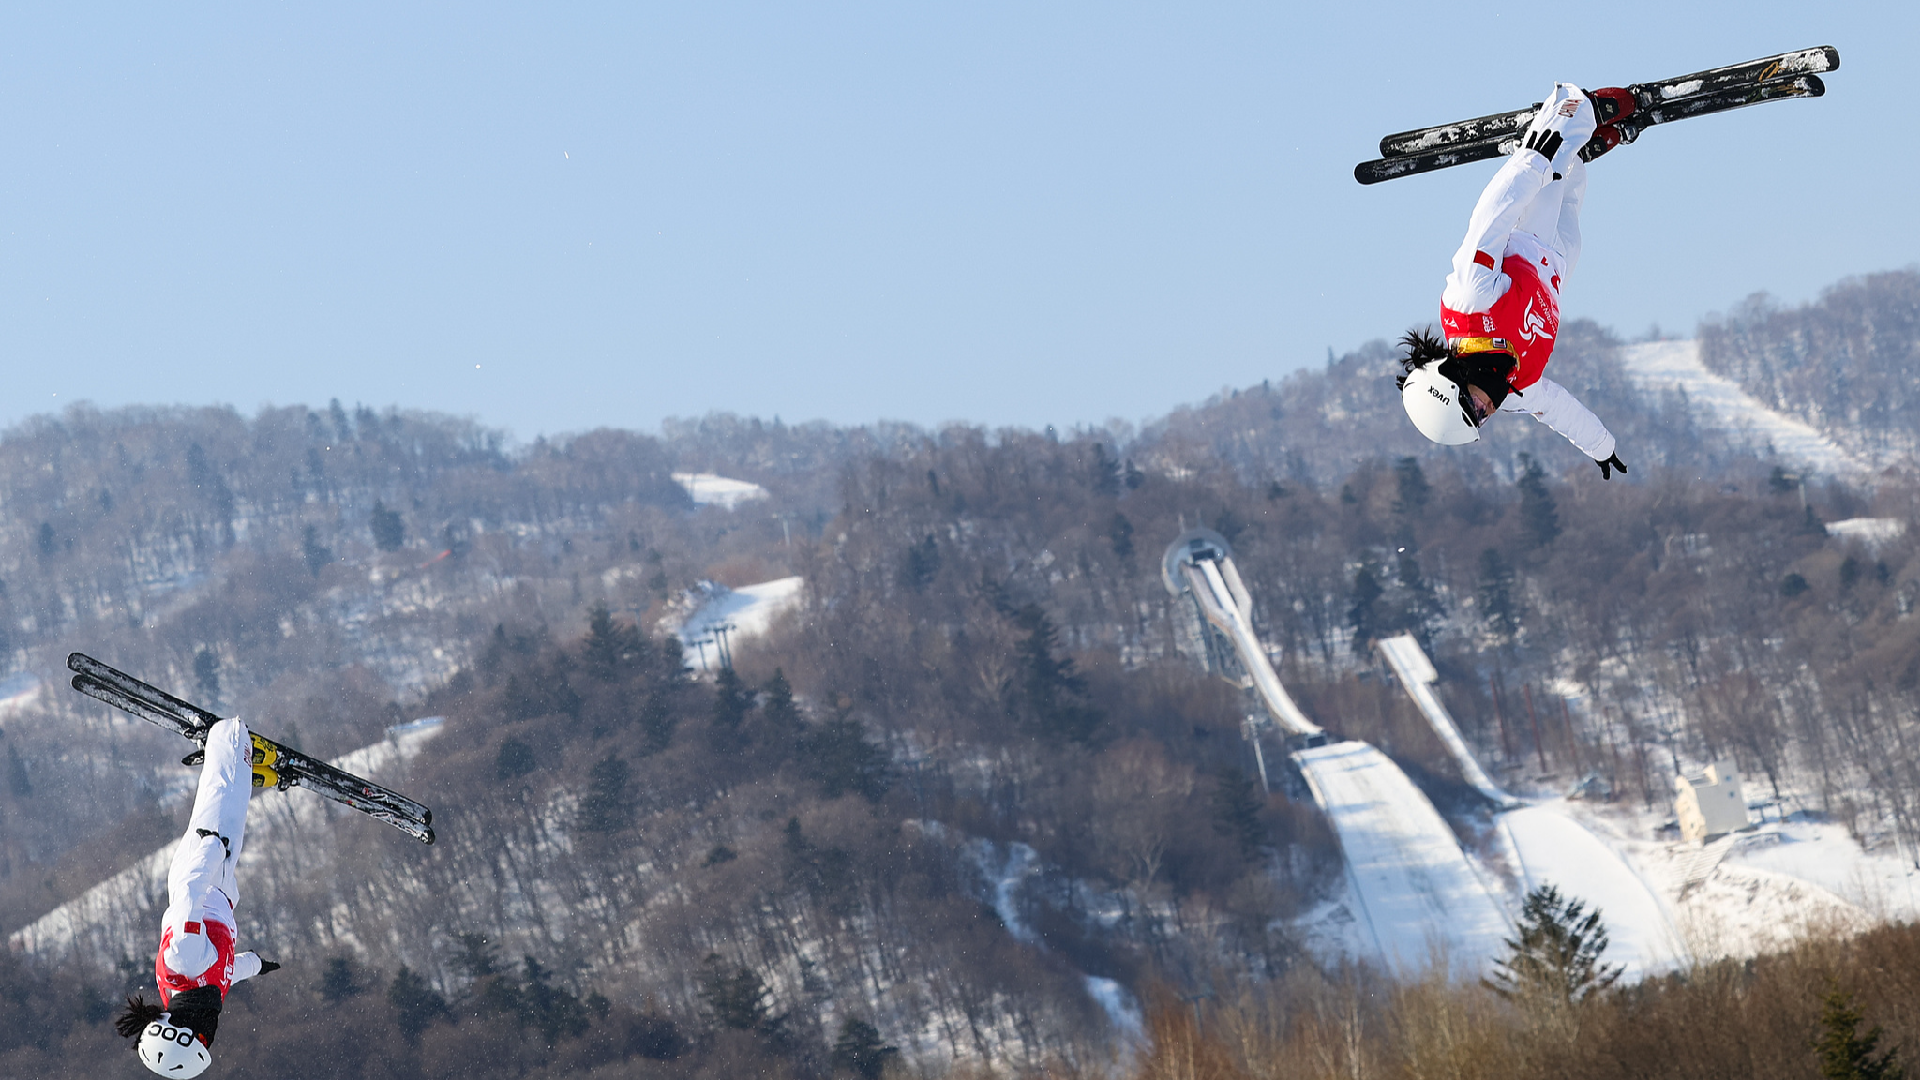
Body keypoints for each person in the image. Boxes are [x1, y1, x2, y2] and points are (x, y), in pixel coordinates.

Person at [1397, 81, 1631, 480]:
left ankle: (1572, 110)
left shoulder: (1470, 302)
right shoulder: (1516, 388)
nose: (1487, 412)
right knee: (1573, 192)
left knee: (1550, 179)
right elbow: (1556, 409)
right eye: (1480, 422)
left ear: (1452, 380)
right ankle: (1573, 155)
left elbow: (1490, 221)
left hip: (1525, 234)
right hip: (1555, 270)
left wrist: (1531, 162)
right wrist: (1600, 446)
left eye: (1473, 409)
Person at [113, 718, 280, 1078]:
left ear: (186, 1028)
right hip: (218, 884)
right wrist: (257, 964)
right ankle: (242, 768)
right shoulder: (198, 993)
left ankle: (228, 737)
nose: (210, 1036)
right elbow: (227, 973)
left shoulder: (185, 960)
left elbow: (188, 893)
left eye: (203, 1039)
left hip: (203, 868)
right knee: (232, 806)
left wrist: (210, 848)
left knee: (220, 796)